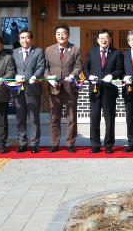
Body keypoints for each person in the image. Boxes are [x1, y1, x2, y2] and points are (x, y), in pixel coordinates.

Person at [83, 29, 124, 154]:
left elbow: (120, 70)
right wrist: (89, 77)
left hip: (109, 90)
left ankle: (108, 145)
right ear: (97, 40)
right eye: (101, 38)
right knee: (94, 118)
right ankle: (95, 144)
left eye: (106, 37)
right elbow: (85, 68)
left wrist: (112, 75)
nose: (103, 40)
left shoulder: (116, 53)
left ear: (110, 39)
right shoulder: (91, 52)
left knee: (109, 119)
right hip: (95, 90)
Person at [44, 24, 83, 153]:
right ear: (55, 35)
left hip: (69, 88)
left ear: (68, 35)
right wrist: (49, 78)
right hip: (54, 89)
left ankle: (70, 143)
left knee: (71, 118)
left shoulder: (76, 49)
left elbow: (78, 66)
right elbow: (45, 69)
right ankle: (54, 143)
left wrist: (73, 75)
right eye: (59, 33)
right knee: (54, 118)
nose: (61, 36)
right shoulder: (48, 50)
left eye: (64, 33)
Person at [12, 29, 46, 153]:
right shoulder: (15, 52)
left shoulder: (38, 51)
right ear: (19, 40)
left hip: (33, 88)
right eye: (22, 38)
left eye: (27, 38)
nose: (24, 40)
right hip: (18, 90)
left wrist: (35, 76)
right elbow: (12, 68)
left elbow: (41, 67)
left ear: (31, 39)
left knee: (34, 119)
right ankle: (22, 143)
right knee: (20, 118)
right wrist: (15, 76)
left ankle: (34, 144)